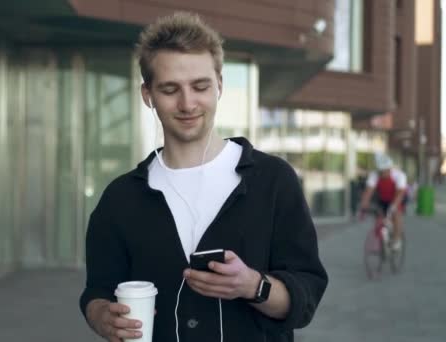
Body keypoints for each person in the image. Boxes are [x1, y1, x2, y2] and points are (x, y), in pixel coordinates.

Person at [79, 12, 328, 342]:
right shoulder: (121, 198)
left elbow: (305, 296)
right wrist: (102, 318)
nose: (187, 103)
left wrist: (253, 285)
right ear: (148, 95)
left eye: (200, 86)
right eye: (170, 89)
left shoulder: (273, 181)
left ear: (219, 86)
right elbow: (97, 291)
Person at [359, 153, 407, 250]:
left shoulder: (399, 175)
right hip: (383, 199)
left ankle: (397, 239)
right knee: (379, 217)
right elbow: (368, 191)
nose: (382, 174)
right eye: (380, 172)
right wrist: (363, 206)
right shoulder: (374, 175)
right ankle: (382, 240)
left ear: (389, 169)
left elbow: (400, 193)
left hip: (397, 198)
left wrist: (393, 206)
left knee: (396, 214)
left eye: (384, 171)